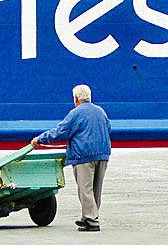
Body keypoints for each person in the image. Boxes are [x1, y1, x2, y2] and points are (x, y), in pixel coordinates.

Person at [31, 84, 111, 231]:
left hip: (84, 155)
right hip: (103, 154)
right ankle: (90, 216)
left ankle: (91, 220)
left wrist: (40, 139)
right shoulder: (101, 111)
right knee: (95, 189)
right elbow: (108, 128)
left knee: (85, 189)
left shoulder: (76, 113)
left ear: (76, 98)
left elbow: (61, 132)